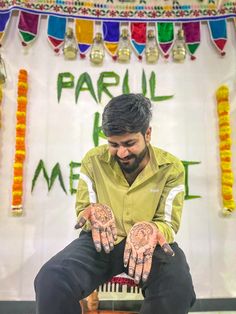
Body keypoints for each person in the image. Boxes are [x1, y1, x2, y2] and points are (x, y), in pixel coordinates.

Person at [34, 94, 196, 314]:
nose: (122, 152)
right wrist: (93, 212)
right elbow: (84, 209)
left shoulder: (171, 167)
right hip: (102, 242)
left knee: (178, 287)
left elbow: (168, 223)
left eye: (130, 143)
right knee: (51, 279)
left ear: (147, 134)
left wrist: (152, 229)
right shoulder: (93, 161)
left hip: (149, 244)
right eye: (114, 144)